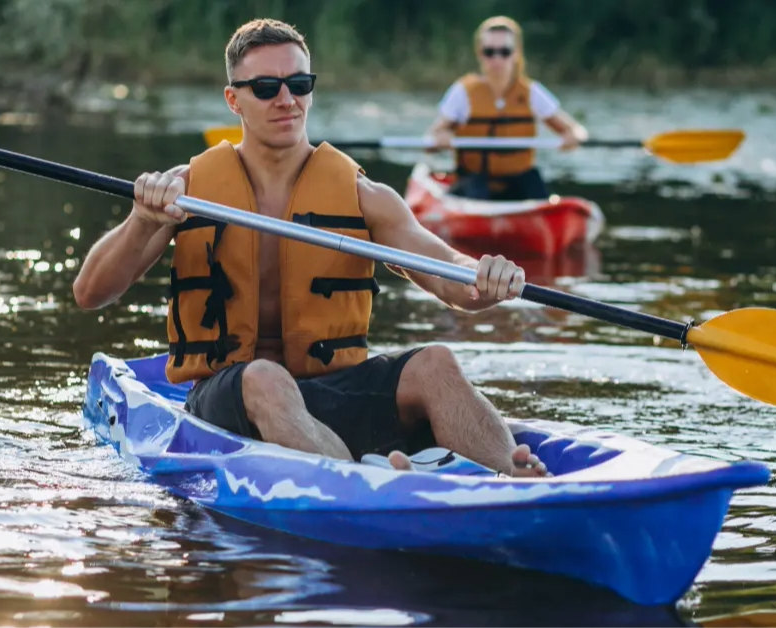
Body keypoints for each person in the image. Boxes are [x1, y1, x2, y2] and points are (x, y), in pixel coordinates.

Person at [72, 18, 548, 478]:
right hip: (230, 396)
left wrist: (486, 278)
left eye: (299, 84)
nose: (287, 100)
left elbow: (451, 276)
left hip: (332, 390)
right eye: (266, 88)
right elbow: (91, 292)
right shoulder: (186, 190)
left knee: (435, 364)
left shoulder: (365, 196)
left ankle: (516, 476)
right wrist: (141, 220)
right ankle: (363, 482)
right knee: (264, 377)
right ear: (233, 99)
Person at [426, 16, 588, 202]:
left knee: (534, 183)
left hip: (520, 180)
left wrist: (573, 136)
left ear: (516, 53)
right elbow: (431, 140)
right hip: (475, 182)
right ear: (480, 54)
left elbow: (575, 129)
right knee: (477, 189)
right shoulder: (463, 92)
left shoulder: (531, 92)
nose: (497, 59)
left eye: (504, 51)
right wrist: (441, 137)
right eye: (489, 52)